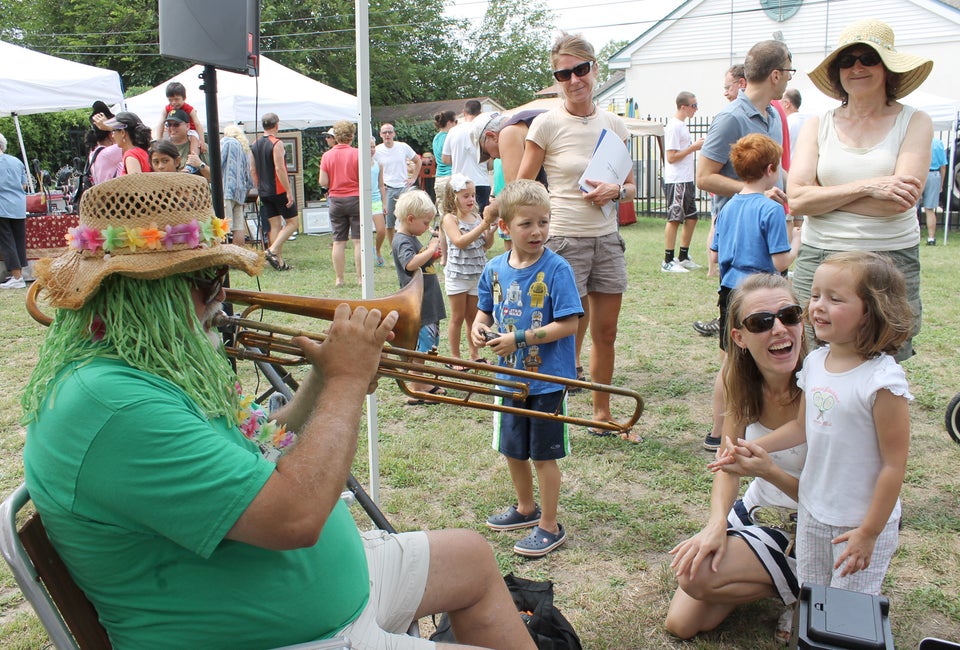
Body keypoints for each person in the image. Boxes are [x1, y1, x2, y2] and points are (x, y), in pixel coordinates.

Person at [21, 173, 536, 650]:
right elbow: (295, 518)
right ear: (144, 293)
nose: (221, 297)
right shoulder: (118, 408)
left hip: (318, 592)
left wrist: (321, 384)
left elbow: (256, 450)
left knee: (472, 557)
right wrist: (348, 382)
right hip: (283, 634)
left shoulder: (143, 370)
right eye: (209, 280)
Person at [712, 251, 913, 597]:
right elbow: (802, 428)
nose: (817, 306)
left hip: (857, 519)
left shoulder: (883, 382)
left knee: (847, 603)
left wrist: (869, 531)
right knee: (812, 593)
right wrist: (752, 448)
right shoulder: (817, 363)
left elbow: (894, 466)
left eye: (834, 298)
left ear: (872, 312)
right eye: (816, 294)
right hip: (814, 512)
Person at [666, 273, 807, 644]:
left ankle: (804, 590)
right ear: (739, 338)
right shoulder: (738, 379)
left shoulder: (823, 386)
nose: (779, 329)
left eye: (790, 315)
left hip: (815, 526)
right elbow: (727, 466)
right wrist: (715, 523)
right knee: (682, 624)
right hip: (761, 511)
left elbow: (833, 503)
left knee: (696, 578)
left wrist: (769, 471)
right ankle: (783, 580)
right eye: (762, 322)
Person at [517, 32, 638, 442]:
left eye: (580, 70)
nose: (573, 80)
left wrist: (616, 191)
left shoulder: (614, 124)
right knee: (568, 331)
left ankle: (601, 412)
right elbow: (523, 185)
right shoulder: (546, 123)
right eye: (563, 73)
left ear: (594, 69)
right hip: (563, 240)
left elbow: (632, 186)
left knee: (606, 333)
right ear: (556, 79)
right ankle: (555, 409)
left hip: (606, 238)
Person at [790, 19, 933, 362]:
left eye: (868, 58)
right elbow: (796, 199)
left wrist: (823, 196)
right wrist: (869, 186)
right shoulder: (817, 124)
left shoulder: (915, 121)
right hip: (820, 257)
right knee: (810, 359)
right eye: (846, 60)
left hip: (888, 260)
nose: (856, 67)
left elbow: (899, 203)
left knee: (883, 361)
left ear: (887, 68)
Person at [473, 179, 582, 557]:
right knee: (513, 449)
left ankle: (549, 524)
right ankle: (525, 509)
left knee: (543, 454)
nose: (537, 231)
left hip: (546, 381)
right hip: (508, 379)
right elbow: (484, 309)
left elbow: (569, 324)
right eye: (526, 224)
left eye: (544, 222)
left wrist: (519, 339)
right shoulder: (493, 268)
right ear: (504, 227)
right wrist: (478, 326)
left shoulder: (558, 269)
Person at [694, 40, 792, 452]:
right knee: (734, 360)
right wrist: (753, 194)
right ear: (775, 74)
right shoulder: (731, 117)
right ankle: (721, 431)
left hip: (748, 261)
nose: (789, 78)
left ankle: (746, 425)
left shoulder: (772, 115)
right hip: (749, 257)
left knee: (752, 356)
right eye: (788, 71)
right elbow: (704, 176)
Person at [710, 134, 801, 342]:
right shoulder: (772, 209)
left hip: (728, 290)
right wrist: (796, 242)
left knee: (731, 348)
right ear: (770, 170)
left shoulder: (727, 207)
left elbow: (715, 254)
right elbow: (780, 262)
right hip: (759, 294)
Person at [391, 189, 447, 403]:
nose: (426, 228)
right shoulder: (403, 240)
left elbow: (420, 265)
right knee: (420, 351)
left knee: (428, 347)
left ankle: (422, 383)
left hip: (428, 303)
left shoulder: (411, 237)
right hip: (419, 306)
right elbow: (410, 264)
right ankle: (417, 388)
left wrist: (431, 257)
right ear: (410, 219)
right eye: (425, 223)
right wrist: (430, 248)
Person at [441, 173, 498, 369]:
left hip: (477, 274)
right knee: (457, 317)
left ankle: (474, 355)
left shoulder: (476, 216)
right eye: (466, 196)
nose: (471, 199)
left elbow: (486, 246)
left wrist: (489, 232)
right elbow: (460, 242)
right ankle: (455, 357)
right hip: (457, 275)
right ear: (453, 197)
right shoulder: (450, 219)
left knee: (473, 318)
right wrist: (483, 225)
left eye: (473, 195)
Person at [473, 109, 549, 252]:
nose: (494, 158)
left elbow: (517, 193)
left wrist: (491, 211)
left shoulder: (508, 132)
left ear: (492, 136)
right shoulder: (534, 118)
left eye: (487, 152)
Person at [661, 91, 705, 273]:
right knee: (674, 219)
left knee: (692, 218)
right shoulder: (674, 127)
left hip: (686, 179)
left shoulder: (682, 126)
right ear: (683, 106)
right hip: (676, 180)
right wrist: (693, 148)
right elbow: (671, 157)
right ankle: (668, 260)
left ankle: (683, 256)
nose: (696, 109)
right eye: (693, 105)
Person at [251, 112, 299, 271]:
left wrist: (259, 188)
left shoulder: (255, 143)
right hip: (278, 189)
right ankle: (272, 251)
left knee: (275, 225)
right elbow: (280, 168)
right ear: (277, 125)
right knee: (293, 223)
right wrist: (288, 191)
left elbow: (253, 170)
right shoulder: (276, 143)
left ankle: (279, 262)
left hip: (264, 191)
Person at [320, 120, 362, 287]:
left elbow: (323, 181)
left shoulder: (327, 155)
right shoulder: (358, 153)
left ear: (336, 136)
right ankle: (360, 278)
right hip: (356, 198)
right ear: (352, 136)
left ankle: (340, 278)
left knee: (338, 241)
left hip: (336, 200)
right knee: (358, 241)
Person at [375, 123, 421, 253]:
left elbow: (418, 161)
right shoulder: (377, 150)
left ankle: (407, 245)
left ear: (394, 134)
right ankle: (393, 248)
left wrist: (413, 178)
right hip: (387, 189)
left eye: (390, 132)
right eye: (384, 132)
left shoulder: (403, 147)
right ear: (380, 135)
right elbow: (371, 168)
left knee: (407, 219)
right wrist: (378, 184)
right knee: (389, 222)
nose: (387, 135)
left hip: (403, 188)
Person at [442, 101, 492, 217]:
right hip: (480, 181)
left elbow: (445, 159)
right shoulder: (483, 131)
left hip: (459, 182)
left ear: (464, 113)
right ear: (480, 113)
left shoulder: (453, 131)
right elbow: (490, 164)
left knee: (459, 218)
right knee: (480, 220)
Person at [0, 132, 28, 289]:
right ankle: (19, 275)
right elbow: (24, 185)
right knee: (18, 240)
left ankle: (17, 277)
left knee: (6, 241)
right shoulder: (16, 161)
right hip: (18, 205)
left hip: (2, 206)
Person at [220, 124, 254, 246]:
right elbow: (248, 177)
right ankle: (239, 256)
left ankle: (226, 258)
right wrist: (245, 195)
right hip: (239, 193)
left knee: (224, 226)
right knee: (238, 226)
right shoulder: (244, 148)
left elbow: (217, 163)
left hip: (226, 190)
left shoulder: (226, 142)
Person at [93, 111, 153, 176]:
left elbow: (135, 184)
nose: (113, 136)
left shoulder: (131, 155)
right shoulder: (141, 152)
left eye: (113, 132)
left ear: (122, 133)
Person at [155, 81, 205, 152]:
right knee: (164, 139)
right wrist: (159, 139)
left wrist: (201, 139)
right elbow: (160, 123)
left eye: (176, 99)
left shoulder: (190, 109)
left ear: (184, 98)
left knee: (194, 139)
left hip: (190, 130)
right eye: (170, 100)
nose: (173, 103)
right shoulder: (166, 109)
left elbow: (197, 123)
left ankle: (193, 156)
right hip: (172, 131)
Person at [86, 101, 123, 185]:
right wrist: (111, 126)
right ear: (110, 135)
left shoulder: (93, 152)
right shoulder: (109, 153)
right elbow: (133, 139)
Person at [921, 136, 948, 245]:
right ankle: (931, 238)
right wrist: (941, 184)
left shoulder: (919, 140)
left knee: (912, 207)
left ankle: (915, 236)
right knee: (930, 209)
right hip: (934, 174)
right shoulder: (938, 143)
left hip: (920, 173)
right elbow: (943, 166)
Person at [432, 110, 457, 214]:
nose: (457, 124)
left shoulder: (436, 138)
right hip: (450, 177)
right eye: (456, 121)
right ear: (449, 122)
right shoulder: (449, 137)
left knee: (443, 213)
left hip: (439, 179)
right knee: (455, 213)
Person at [370, 137, 388, 267]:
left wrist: (384, 203)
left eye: (373, 146)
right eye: (369, 146)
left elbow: (381, 185)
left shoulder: (378, 164)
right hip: (362, 201)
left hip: (376, 200)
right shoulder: (358, 163)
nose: (371, 149)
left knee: (381, 230)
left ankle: (377, 250)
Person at [780, 88, 807, 161]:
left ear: (787, 104)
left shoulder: (786, 124)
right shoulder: (809, 122)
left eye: (780, 101)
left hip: (790, 168)